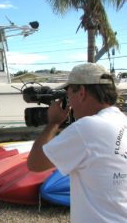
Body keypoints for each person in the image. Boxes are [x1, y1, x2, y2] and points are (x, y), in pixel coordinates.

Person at [27, 63, 127, 222]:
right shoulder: (122, 121)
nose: (69, 102)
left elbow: (35, 163)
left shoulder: (87, 128)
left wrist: (53, 123)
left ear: (81, 92)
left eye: (68, 94)